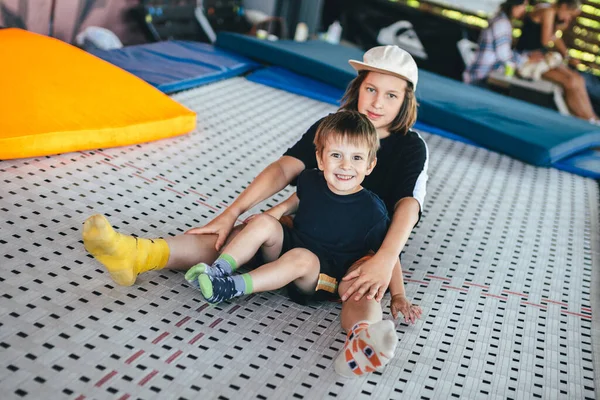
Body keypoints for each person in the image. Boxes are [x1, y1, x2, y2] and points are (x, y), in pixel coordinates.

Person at [82, 44, 428, 376]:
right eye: (371, 89)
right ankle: (139, 253)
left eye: (391, 95)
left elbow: (407, 208)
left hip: (358, 250)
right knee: (238, 233)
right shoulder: (334, 125)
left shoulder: (411, 147)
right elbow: (285, 170)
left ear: (405, 101)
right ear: (358, 87)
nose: (377, 102)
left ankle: (361, 341)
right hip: (305, 230)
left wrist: (385, 263)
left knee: (362, 285)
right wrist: (232, 214)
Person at [516, 0, 599, 122]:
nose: (569, 18)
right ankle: (587, 119)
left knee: (578, 79)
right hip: (528, 59)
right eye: (570, 14)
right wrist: (561, 27)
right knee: (570, 82)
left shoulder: (549, 11)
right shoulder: (548, 11)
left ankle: (592, 118)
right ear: (564, 6)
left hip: (540, 57)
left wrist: (567, 56)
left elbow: (555, 38)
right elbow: (546, 40)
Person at [463, 0, 544, 86]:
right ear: (514, 5)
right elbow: (503, 55)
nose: (524, 10)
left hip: (484, 74)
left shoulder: (501, 20)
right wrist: (526, 59)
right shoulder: (502, 23)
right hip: (482, 76)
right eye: (523, 6)